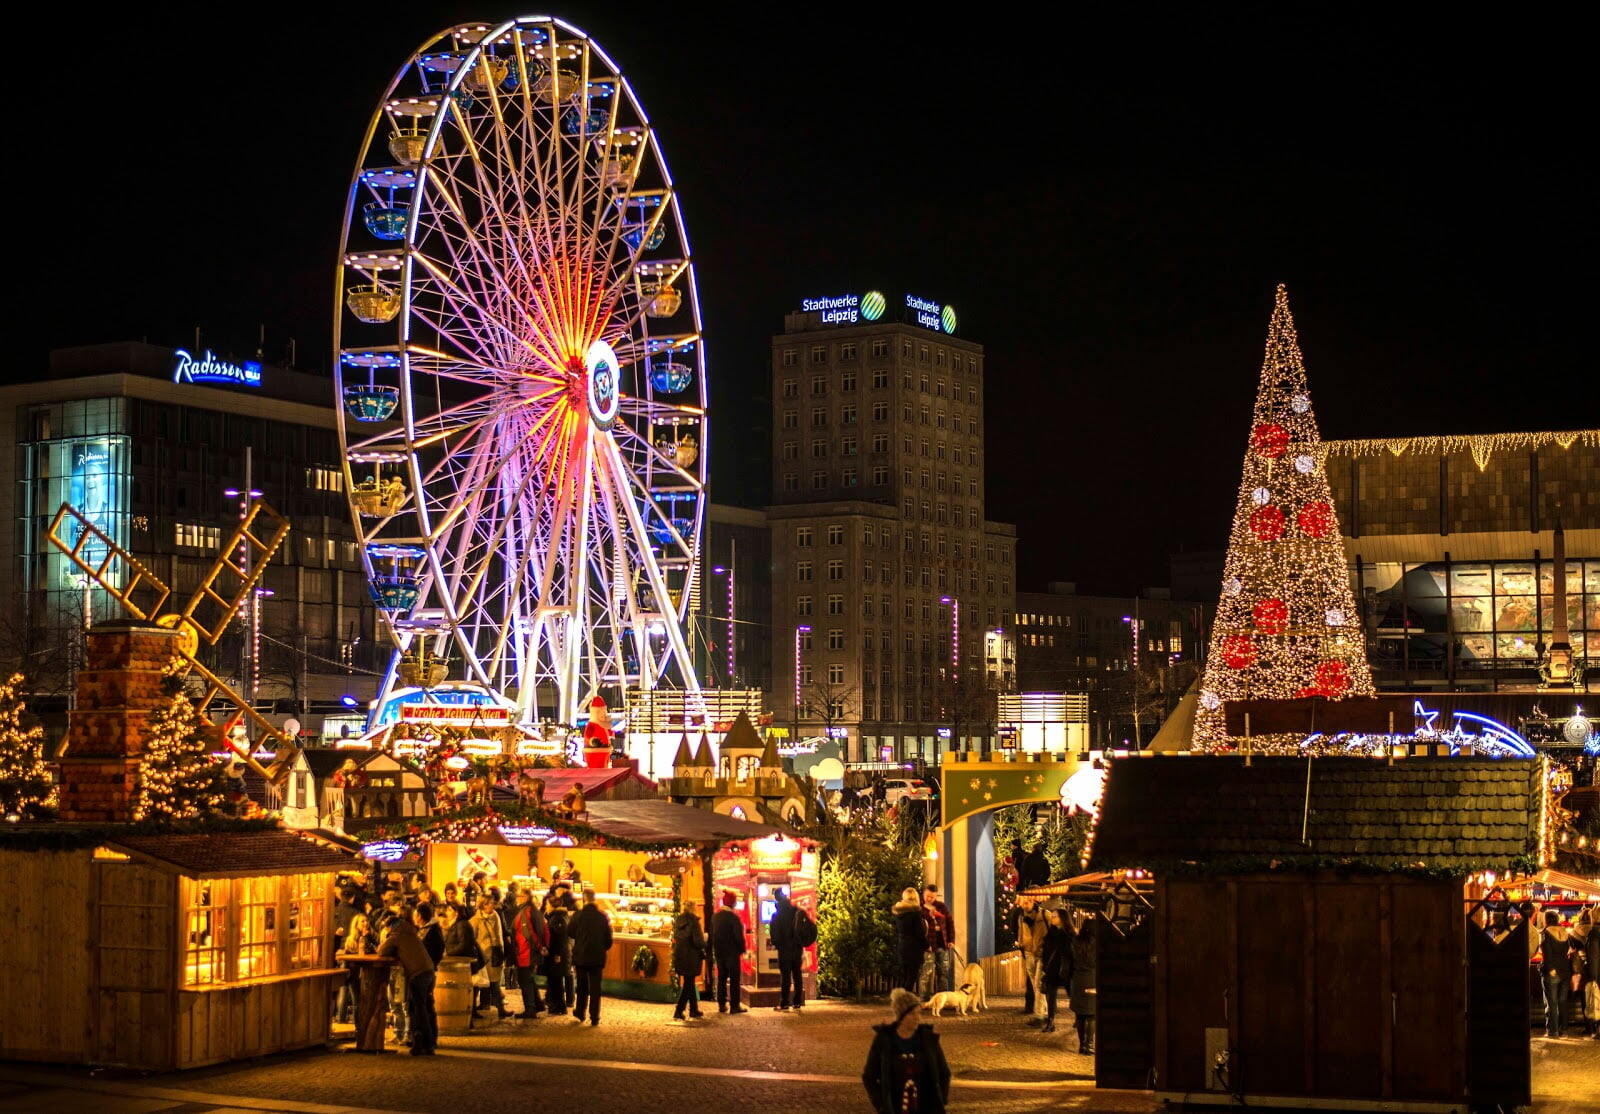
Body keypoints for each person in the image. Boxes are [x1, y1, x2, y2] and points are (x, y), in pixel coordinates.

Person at [861, 987, 952, 1114]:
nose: (917, 1018)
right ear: (901, 1016)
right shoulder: (885, 1040)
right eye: (912, 1014)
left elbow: (944, 1072)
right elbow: (869, 1076)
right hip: (896, 1107)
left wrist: (940, 1099)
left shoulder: (928, 1040)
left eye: (918, 1013)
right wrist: (881, 1105)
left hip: (926, 1107)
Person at [378, 909, 437, 1056]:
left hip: (417, 974)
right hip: (428, 971)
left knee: (419, 1010)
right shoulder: (410, 932)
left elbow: (382, 951)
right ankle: (423, 1042)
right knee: (424, 1008)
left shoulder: (397, 935)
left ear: (390, 927)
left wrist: (387, 937)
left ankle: (427, 1044)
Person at [569, 887, 613, 1026]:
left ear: (584, 899)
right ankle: (595, 1016)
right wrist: (602, 949)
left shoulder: (578, 915)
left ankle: (581, 1012)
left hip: (581, 956)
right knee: (595, 988)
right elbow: (608, 939)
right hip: (597, 957)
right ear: (594, 899)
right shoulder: (602, 916)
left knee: (582, 986)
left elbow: (569, 932)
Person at [471, 896, 511, 1019]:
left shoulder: (496, 916)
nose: (491, 906)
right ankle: (472, 1010)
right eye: (488, 904)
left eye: (492, 904)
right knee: (478, 983)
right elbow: (473, 939)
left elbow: (499, 935)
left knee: (495, 983)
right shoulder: (475, 920)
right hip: (482, 957)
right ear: (483, 905)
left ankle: (500, 1009)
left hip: (495, 954)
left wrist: (501, 950)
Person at [769, 889, 809, 1010]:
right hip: (796, 949)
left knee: (785, 977)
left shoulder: (776, 915)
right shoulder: (796, 911)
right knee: (797, 975)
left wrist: (777, 944)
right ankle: (797, 1002)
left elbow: (774, 934)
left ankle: (784, 1002)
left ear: (777, 899)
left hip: (784, 950)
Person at [512, 890, 548, 1020]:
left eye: (519, 896)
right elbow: (545, 930)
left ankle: (530, 1009)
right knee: (529, 978)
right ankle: (538, 1004)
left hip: (526, 952)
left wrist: (538, 947)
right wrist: (544, 946)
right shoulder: (536, 912)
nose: (517, 899)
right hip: (532, 952)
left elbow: (528, 933)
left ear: (525, 897)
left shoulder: (525, 912)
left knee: (524, 980)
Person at [1038, 908, 1074, 1035]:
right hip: (1052, 968)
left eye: (1055, 916)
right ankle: (1050, 1021)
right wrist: (1044, 967)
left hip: (1065, 968)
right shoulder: (1051, 933)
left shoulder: (1069, 933)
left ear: (1062, 918)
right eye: (1052, 916)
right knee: (1050, 995)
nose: (1052, 918)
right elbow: (1046, 951)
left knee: (1072, 994)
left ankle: (1078, 1016)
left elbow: (1071, 953)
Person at [711, 890, 747, 1014]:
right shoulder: (734, 918)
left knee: (721, 978)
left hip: (720, 953)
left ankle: (721, 1004)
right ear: (732, 903)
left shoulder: (716, 917)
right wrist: (742, 949)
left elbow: (712, 935)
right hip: (732, 953)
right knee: (734, 979)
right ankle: (734, 1005)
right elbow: (738, 936)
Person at [1014, 896, 1048, 1025]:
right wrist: (1022, 945)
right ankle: (1044, 1012)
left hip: (1041, 954)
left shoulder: (1044, 915)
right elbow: (1020, 932)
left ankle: (1039, 1015)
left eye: (1027, 902)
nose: (1025, 905)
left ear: (1033, 901)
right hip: (1029, 953)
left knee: (1038, 983)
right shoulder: (1022, 917)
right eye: (1023, 903)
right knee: (1035, 985)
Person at [1539, 909, 1573, 1038]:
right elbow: (1568, 950)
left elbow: (1547, 954)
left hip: (1552, 971)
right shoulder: (1565, 932)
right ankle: (1564, 1029)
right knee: (1563, 1001)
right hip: (1565, 970)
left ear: (1546, 920)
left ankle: (1553, 1031)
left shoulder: (1545, 933)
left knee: (1551, 1002)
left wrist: (1551, 969)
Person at [671, 900, 707, 1021]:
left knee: (689, 982)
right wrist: (705, 940)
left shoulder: (678, 921)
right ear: (693, 908)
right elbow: (698, 942)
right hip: (691, 957)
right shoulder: (694, 922)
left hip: (681, 956)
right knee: (688, 984)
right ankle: (679, 1010)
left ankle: (693, 1009)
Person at [1069, 909, 1098, 1053]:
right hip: (1093, 978)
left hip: (1078, 978)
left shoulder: (1075, 942)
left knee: (1080, 1014)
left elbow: (1070, 960)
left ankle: (1082, 1045)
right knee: (1092, 1014)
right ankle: (1090, 1045)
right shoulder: (1097, 944)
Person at [893, 887, 929, 994]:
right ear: (915, 898)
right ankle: (905, 1001)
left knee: (904, 976)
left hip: (902, 947)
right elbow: (919, 934)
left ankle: (900, 998)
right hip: (914, 949)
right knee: (911, 976)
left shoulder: (899, 914)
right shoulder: (915, 914)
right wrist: (927, 946)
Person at [922, 884, 955, 995]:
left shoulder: (941, 906)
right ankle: (925, 999)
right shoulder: (919, 908)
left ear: (936, 896)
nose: (930, 899)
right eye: (928, 896)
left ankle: (942, 998)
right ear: (924, 894)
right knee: (927, 972)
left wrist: (951, 940)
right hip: (928, 945)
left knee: (943, 972)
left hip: (942, 944)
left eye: (933, 897)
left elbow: (950, 923)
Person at [542, 893, 571, 1016]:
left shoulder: (558, 918)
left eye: (547, 904)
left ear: (552, 906)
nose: (546, 906)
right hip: (556, 953)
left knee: (556, 981)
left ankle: (559, 1006)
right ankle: (554, 1004)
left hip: (557, 955)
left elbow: (560, 938)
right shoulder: (556, 916)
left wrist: (558, 954)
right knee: (554, 980)